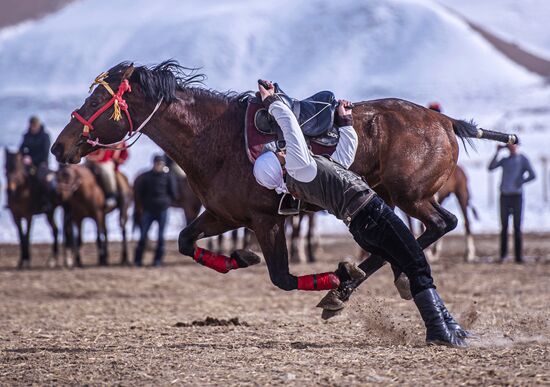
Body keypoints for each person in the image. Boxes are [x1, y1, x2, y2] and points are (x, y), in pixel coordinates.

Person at [253, 80, 468, 347]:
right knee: (417, 265)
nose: (281, 150)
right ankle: (438, 329)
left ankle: (450, 327)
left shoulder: (304, 176)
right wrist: (272, 101)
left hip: (363, 225)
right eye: (278, 154)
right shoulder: (301, 167)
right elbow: (289, 124)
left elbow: (343, 159)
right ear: (280, 165)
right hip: (372, 214)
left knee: (411, 262)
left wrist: (345, 124)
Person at [488, 142, 536, 263]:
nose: (512, 147)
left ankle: (518, 257)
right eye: (510, 146)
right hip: (504, 197)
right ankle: (503, 255)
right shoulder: (504, 160)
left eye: (514, 145)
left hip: (517, 196)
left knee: (517, 227)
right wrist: (497, 152)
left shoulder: (523, 159)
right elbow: (490, 167)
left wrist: (521, 181)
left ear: (517, 146)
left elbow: (533, 175)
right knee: (504, 227)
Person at [134, 155, 178, 267]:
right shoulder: (146, 176)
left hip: (162, 210)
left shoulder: (168, 176)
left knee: (161, 236)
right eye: (157, 163)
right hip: (148, 210)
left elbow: (173, 192)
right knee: (143, 235)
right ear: (153, 164)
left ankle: (158, 260)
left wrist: (166, 202)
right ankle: (138, 260)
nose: (158, 165)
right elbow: (140, 193)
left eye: (160, 163)